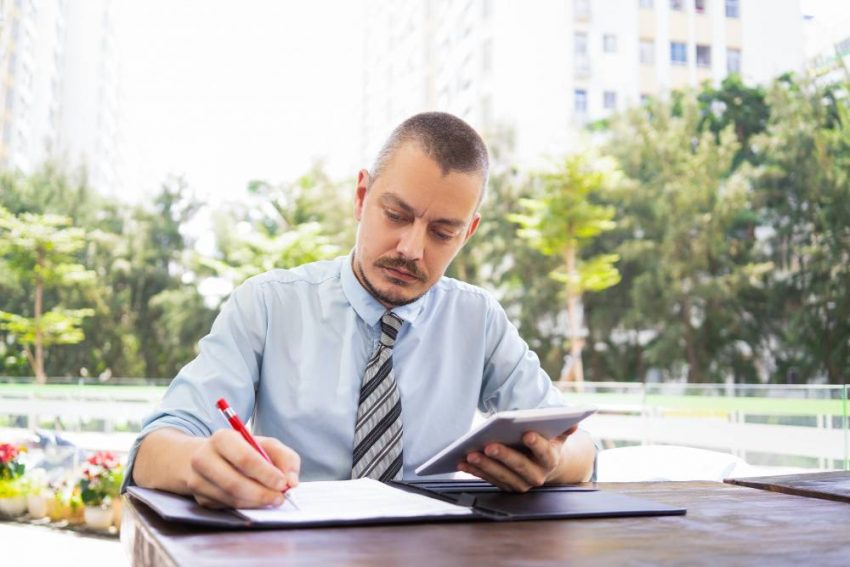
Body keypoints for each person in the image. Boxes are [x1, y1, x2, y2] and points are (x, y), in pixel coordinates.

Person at [127, 112, 596, 509]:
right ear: (360, 197)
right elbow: (153, 449)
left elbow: (577, 444)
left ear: (468, 233)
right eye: (395, 215)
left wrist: (552, 462)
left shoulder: (478, 320)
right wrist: (200, 465)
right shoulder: (267, 305)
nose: (411, 249)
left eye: (442, 233)